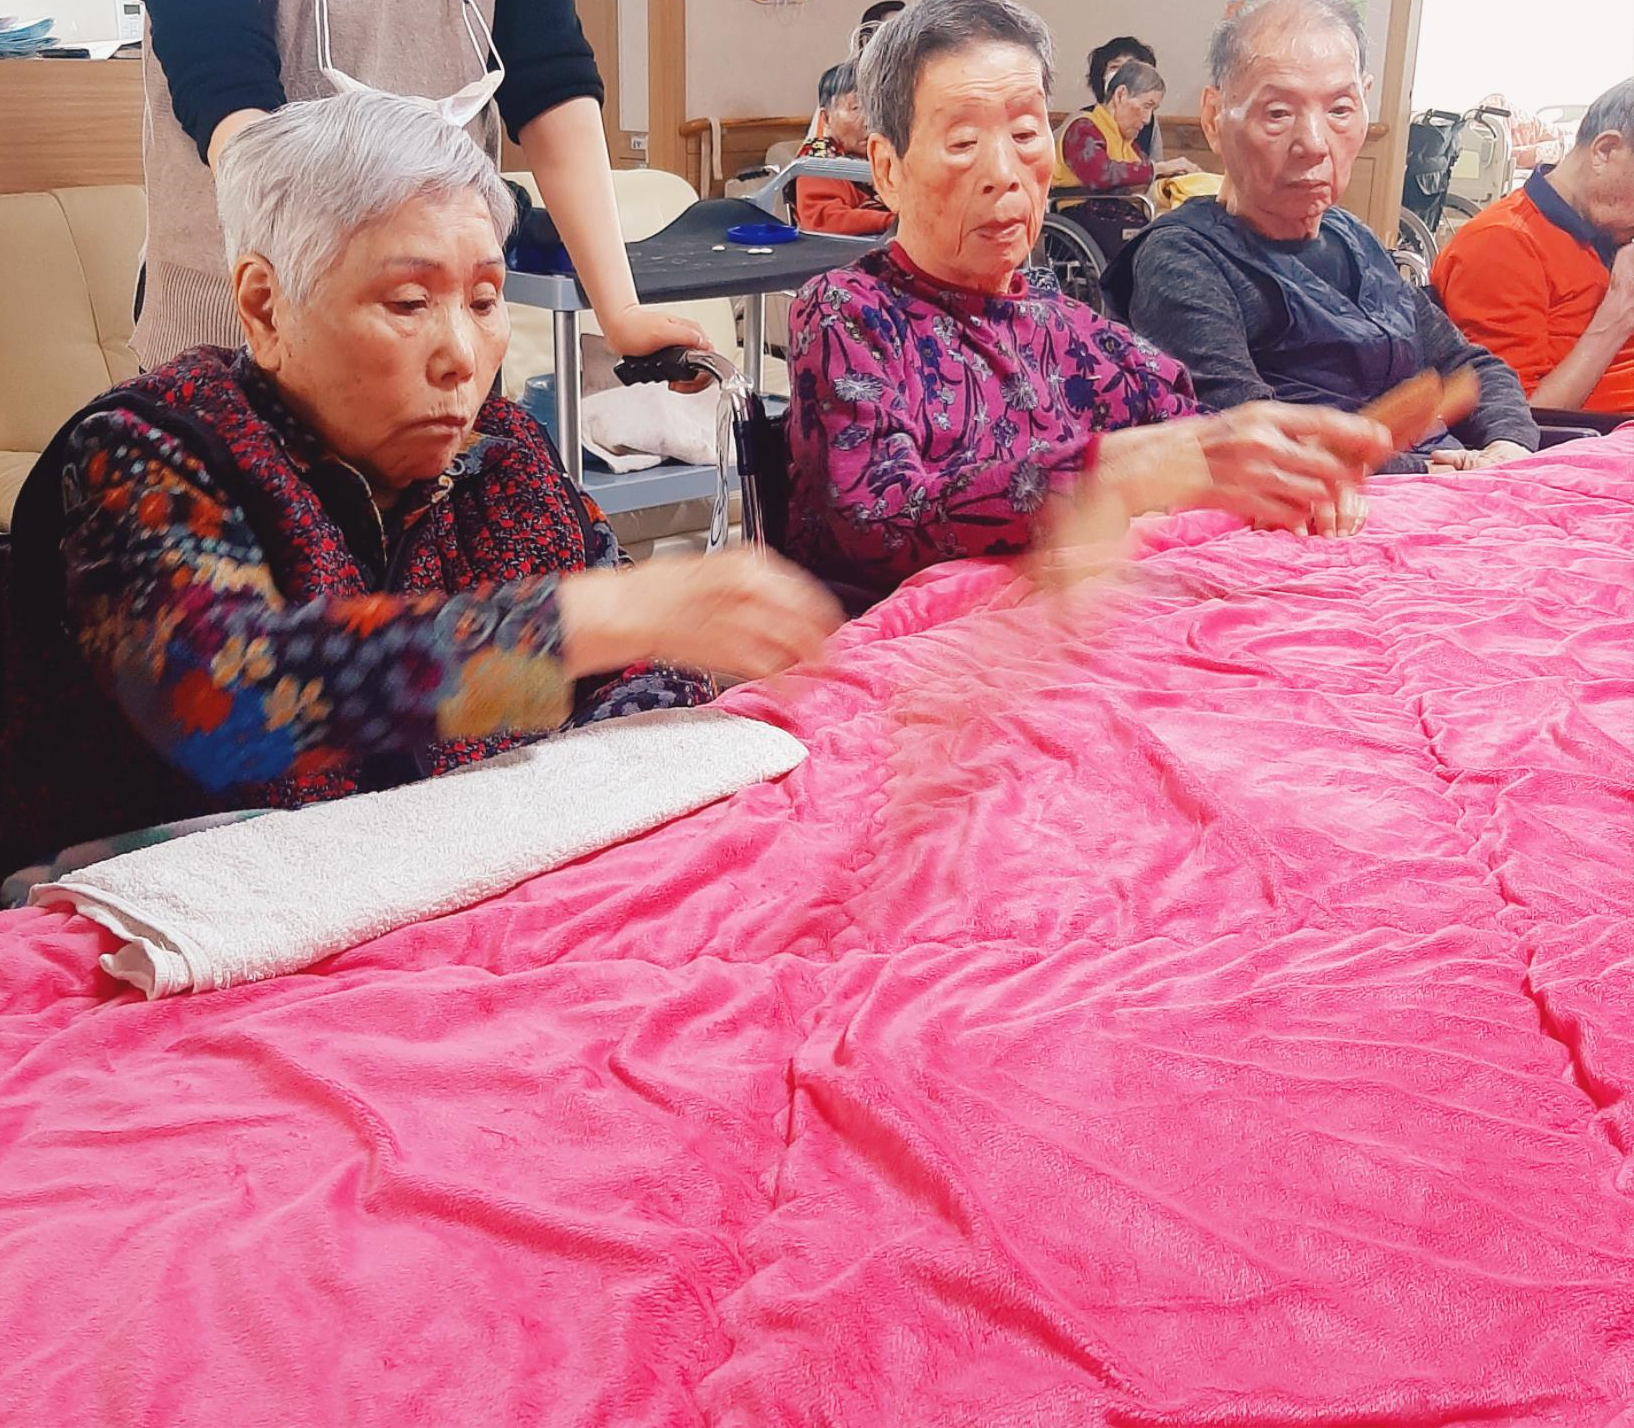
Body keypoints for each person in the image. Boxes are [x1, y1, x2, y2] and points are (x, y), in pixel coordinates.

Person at [0, 93, 842, 875]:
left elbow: (637, 671)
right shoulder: (143, 453)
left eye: (484, 300)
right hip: (146, 927)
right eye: (408, 302)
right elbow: (228, 702)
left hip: (454, 909)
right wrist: (590, 621)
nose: (463, 358)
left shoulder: (503, 452)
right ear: (263, 307)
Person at [785, 0, 1394, 601]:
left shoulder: (1072, 332)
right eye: (963, 141)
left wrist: (1274, 473)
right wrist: (1115, 471)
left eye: (1026, 134)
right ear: (888, 170)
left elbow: (1192, 436)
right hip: (907, 647)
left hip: (1064, 640)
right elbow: (876, 519)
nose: (1004, 172)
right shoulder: (849, 314)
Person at [134, 0, 703, 371]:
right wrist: (309, 313)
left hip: (439, 319)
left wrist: (619, 309)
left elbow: (551, 78)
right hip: (251, 312)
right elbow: (224, 83)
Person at [1103, 0, 1539, 473]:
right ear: (1214, 118)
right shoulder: (1181, 259)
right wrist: (1431, 473)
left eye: (1340, 109)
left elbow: (1470, 366)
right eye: (1277, 112)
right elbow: (1253, 442)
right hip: (1338, 504)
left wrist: (1507, 445)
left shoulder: (1353, 237)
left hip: (1450, 484)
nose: (1313, 143)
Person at [1433, 79, 1634, 415]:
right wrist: (1617, 317)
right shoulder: (1501, 244)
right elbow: (1513, 422)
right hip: (1590, 439)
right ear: (1605, 150)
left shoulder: (1611, 229)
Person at [1055, 60, 1198, 193]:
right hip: (1082, 208)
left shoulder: (1129, 145)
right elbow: (1099, 174)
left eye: (1153, 110)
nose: (1147, 119)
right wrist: (1159, 168)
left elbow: (1147, 175)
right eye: (1146, 106)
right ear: (1120, 95)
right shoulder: (1083, 127)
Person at [794, 62, 894, 236]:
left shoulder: (888, 153)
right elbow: (825, 219)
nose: (869, 120)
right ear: (826, 117)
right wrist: (894, 221)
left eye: (875, 107)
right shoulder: (819, 160)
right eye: (856, 108)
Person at [1086, 35, 1166, 168]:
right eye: (1115, 67)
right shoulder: (1083, 124)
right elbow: (1102, 172)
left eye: (1131, 67)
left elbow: (1153, 166)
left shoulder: (1146, 126)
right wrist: (1155, 170)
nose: (1123, 74)